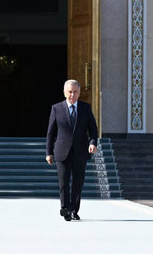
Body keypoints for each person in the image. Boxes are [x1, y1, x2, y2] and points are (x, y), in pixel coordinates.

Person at [46, 79, 98, 221]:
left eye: (75, 92)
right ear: (64, 93)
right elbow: (51, 132)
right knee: (63, 182)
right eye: (70, 92)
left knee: (78, 183)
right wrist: (49, 152)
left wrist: (93, 143)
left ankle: (74, 210)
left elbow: (93, 129)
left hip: (81, 151)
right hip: (62, 151)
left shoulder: (85, 108)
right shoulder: (56, 108)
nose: (72, 95)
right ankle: (65, 208)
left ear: (79, 93)